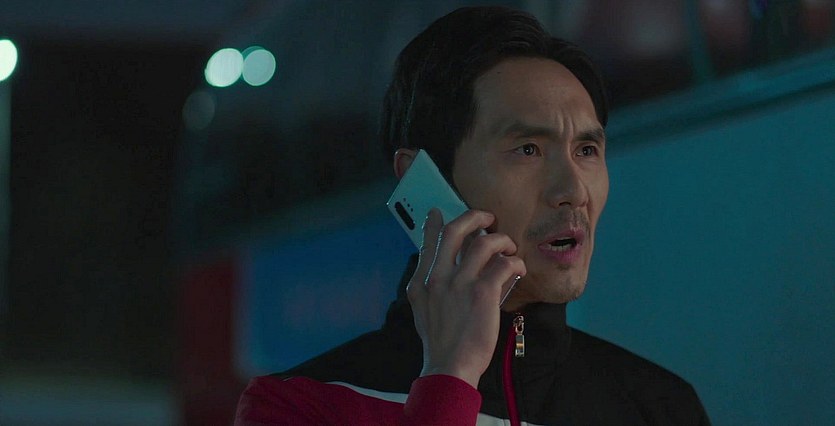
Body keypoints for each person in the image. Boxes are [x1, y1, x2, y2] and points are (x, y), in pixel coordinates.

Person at [235, 6, 711, 425]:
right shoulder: (301, 405)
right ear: (423, 182)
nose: (573, 192)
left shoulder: (660, 407)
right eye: (528, 149)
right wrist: (450, 377)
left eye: (586, 150)